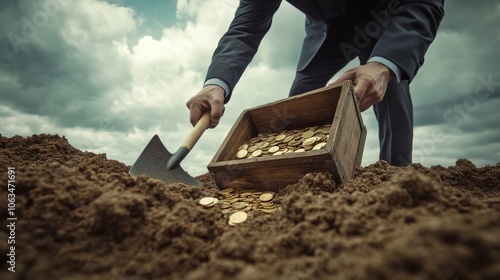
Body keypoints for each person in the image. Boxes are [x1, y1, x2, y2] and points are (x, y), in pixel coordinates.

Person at [186, 0, 445, 166]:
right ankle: (290, 175)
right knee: (298, 101)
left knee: (390, 92)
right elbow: (245, 29)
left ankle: (398, 176)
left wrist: (385, 64)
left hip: (385, 19)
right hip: (327, 33)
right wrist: (215, 83)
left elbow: (424, 2)